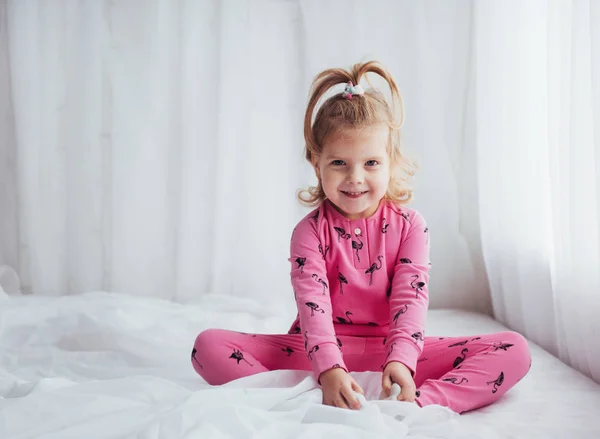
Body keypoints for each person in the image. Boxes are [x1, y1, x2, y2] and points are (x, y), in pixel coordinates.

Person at [191, 61, 531, 414]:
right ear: (316, 162)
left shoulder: (411, 226)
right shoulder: (308, 232)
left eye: (370, 163)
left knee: (514, 349)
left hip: (391, 350)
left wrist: (401, 361)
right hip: (317, 351)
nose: (355, 178)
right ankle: (318, 395)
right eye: (339, 163)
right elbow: (314, 308)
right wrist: (330, 369)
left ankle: (416, 404)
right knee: (208, 346)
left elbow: (409, 303)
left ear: (391, 163)